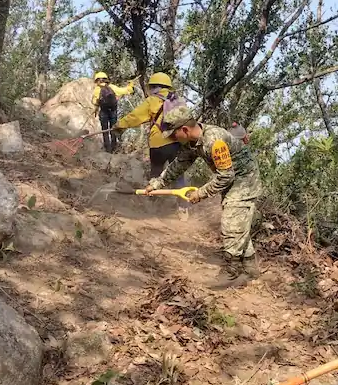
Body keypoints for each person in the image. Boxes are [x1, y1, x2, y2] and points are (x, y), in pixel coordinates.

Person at [145, 105, 262, 288]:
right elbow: (179, 165)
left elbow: (226, 176)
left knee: (231, 223)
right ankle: (250, 270)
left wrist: (200, 193)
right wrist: (157, 183)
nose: (173, 139)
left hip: (244, 179)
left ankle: (231, 273)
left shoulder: (214, 141)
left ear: (184, 130)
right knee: (238, 223)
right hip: (232, 178)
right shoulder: (191, 143)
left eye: (174, 135)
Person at [113, 72, 189, 219]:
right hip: (176, 142)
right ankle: (183, 208)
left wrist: (120, 125)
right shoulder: (179, 101)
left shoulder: (152, 101)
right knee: (178, 175)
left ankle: (153, 204)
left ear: (155, 87)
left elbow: (135, 116)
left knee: (155, 173)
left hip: (158, 144)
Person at [91, 71, 134, 152]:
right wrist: (130, 86)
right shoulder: (112, 87)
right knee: (113, 129)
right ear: (106, 79)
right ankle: (114, 148)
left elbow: (94, 101)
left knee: (105, 130)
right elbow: (125, 91)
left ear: (97, 80)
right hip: (113, 111)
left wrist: (96, 107)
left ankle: (107, 149)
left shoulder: (97, 89)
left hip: (103, 112)